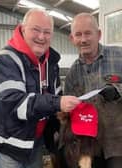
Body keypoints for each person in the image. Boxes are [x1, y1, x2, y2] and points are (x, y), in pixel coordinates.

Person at [0, 8, 80, 168]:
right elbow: (15, 103)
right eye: (36, 30)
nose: (41, 37)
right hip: (8, 145)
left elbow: (55, 95)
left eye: (47, 32)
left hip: (34, 143)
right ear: (22, 29)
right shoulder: (5, 61)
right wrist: (58, 103)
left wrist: (65, 116)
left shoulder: (51, 62)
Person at [64, 12, 122, 168]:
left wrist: (118, 90)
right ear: (72, 38)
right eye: (78, 34)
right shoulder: (72, 74)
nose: (83, 39)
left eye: (88, 33)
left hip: (117, 143)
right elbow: (67, 114)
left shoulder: (119, 56)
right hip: (88, 146)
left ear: (99, 34)